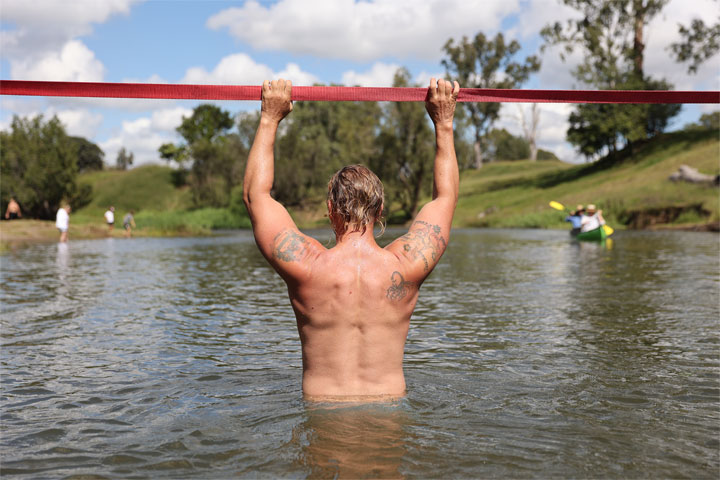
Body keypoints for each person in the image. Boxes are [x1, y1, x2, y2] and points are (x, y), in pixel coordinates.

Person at [243, 78, 460, 401]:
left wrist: (269, 118)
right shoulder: (408, 264)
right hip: (389, 415)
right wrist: (443, 122)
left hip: (323, 414)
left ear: (330, 208)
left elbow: (255, 196)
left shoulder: (306, 267)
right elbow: (446, 197)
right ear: (381, 208)